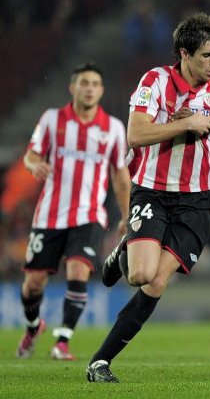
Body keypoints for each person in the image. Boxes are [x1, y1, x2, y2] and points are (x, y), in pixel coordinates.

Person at [85, 12, 210, 383]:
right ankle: (126, 248)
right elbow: (136, 135)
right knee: (141, 273)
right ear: (184, 53)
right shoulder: (155, 82)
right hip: (153, 191)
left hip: (196, 202)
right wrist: (187, 122)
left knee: (156, 282)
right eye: (207, 55)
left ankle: (100, 362)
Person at [16, 63, 130, 361]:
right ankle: (32, 327)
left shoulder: (113, 129)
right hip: (50, 216)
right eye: (84, 83)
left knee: (78, 270)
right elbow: (31, 154)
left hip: (89, 214)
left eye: (95, 83)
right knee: (33, 284)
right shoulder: (53, 120)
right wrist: (33, 165)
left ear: (101, 90)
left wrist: (126, 215)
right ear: (73, 88)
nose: (89, 88)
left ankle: (62, 341)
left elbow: (120, 175)